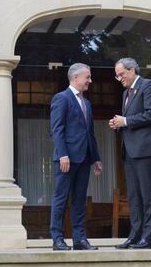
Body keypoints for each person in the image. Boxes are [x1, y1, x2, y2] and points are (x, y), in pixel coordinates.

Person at [109, 57, 151, 249]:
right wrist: (119, 124)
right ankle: (135, 236)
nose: (120, 78)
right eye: (117, 76)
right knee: (134, 196)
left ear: (132, 70)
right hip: (130, 151)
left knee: (148, 195)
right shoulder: (126, 93)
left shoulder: (148, 86)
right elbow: (131, 120)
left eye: (121, 74)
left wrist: (126, 121)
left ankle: (149, 239)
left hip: (146, 149)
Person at [50, 63, 103, 251]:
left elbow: (90, 133)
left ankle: (79, 239)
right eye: (87, 77)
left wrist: (96, 158)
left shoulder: (87, 103)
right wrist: (63, 154)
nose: (90, 80)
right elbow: (57, 130)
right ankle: (57, 239)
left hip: (84, 159)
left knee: (79, 201)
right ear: (75, 78)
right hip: (66, 159)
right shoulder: (61, 98)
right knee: (61, 199)